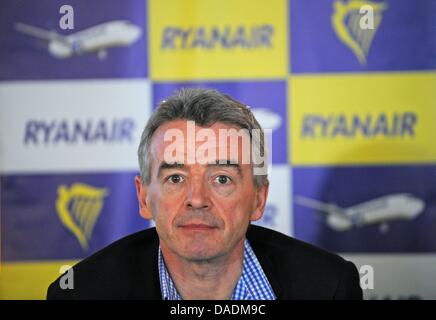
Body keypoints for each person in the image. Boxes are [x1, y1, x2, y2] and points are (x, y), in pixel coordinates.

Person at [47, 88, 362, 300]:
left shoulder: (328, 287)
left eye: (221, 178)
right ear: (143, 198)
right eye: (175, 178)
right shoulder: (82, 293)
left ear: (258, 199)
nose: (197, 198)